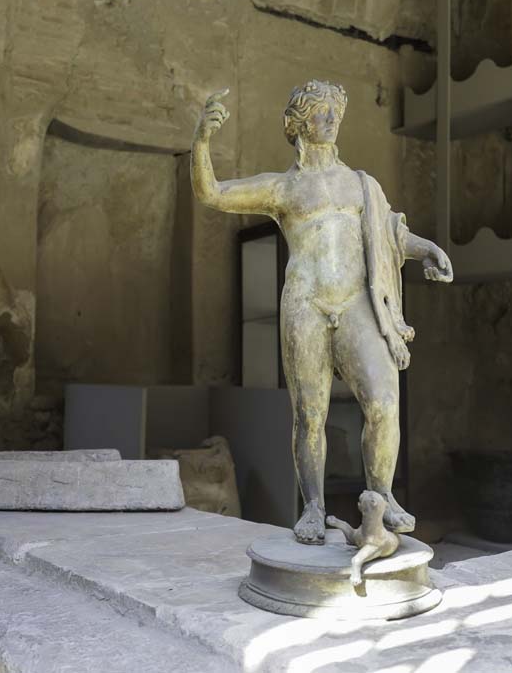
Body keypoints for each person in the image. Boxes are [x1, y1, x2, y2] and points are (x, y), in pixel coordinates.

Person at [191, 80, 453, 544]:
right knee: (310, 414)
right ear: (296, 124)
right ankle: (313, 505)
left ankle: (382, 495)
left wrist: (426, 248)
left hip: (357, 304)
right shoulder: (282, 187)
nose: (331, 119)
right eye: (320, 111)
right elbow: (212, 193)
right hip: (306, 305)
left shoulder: (361, 185)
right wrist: (202, 141)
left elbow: (389, 235)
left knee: (384, 404)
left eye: (336, 111)